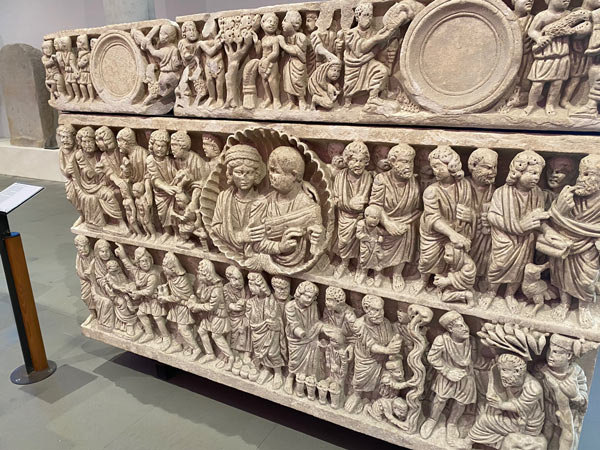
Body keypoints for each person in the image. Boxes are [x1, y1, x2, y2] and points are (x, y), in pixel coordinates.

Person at [484, 151, 547, 312]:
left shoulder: (537, 193)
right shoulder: (501, 193)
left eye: (538, 174)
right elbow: (492, 216)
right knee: (498, 265)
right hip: (504, 238)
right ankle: (491, 292)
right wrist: (517, 227)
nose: (536, 178)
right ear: (518, 172)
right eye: (532, 173)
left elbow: (538, 216)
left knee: (520, 268)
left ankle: (510, 295)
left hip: (525, 240)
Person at [542, 154, 600, 326]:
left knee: (586, 280)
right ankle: (564, 304)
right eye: (581, 174)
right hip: (565, 243)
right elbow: (552, 217)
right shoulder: (569, 194)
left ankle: (584, 307)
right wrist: (560, 211)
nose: (581, 179)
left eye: (588, 174)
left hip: (588, 246)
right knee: (561, 275)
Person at [248, 146, 324, 268]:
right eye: (270, 170)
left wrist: (317, 240)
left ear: (294, 175)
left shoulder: (309, 208)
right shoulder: (263, 203)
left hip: (300, 267)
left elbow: (316, 244)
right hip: (269, 263)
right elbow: (255, 244)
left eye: (275, 171)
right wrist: (279, 247)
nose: (270, 175)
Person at [415, 146, 474, 294]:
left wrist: (470, 215)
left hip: (458, 229)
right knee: (428, 259)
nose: (434, 171)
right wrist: (452, 234)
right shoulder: (431, 191)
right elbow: (432, 217)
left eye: (437, 166)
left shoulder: (464, 185)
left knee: (452, 257)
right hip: (434, 232)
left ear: (451, 166)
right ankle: (423, 280)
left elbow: (469, 210)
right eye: (433, 167)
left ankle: (444, 282)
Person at [369, 143, 421, 291]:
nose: (408, 166)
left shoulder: (413, 180)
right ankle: (378, 273)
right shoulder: (381, 179)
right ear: (392, 162)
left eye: (411, 162)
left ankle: (397, 274)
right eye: (404, 162)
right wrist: (388, 223)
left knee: (407, 239)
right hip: (385, 222)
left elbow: (418, 207)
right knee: (379, 247)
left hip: (407, 221)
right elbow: (375, 205)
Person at [420, 311, 476, 444]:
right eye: (460, 326)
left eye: (465, 324)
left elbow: (473, 360)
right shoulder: (442, 340)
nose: (465, 328)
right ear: (450, 329)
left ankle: (452, 423)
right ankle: (432, 419)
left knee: (461, 402)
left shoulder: (470, 340)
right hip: (447, 375)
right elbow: (432, 358)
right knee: (440, 398)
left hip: (465, 376)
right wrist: (448, 371)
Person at [468, 353, 545, 449]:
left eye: (505, 370)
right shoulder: (512, 379)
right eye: (501, 370)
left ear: (517, 371)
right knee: (487, 409)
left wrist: (501, 405)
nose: (501, 374)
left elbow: (521, 407)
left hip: (526, 424)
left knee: (486, 420)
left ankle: (469, 441)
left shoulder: (533, 388)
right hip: (514, 415)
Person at [344, 295, 401, 414]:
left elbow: (390, 338)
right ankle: (356, 395)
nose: (380, 314)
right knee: (360, 379)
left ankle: (370, 398)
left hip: (381, 358)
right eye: (375, 310)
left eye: (381, 309)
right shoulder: (360, 324)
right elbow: (371, 346)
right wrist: (387, 350)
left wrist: (395, 341)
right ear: (366, 309)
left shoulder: (385, 322)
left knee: (377, 379)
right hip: (365, 358)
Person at [211, 144, 266, 254]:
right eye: (239, 172)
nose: (244, 178)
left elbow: (262, 234)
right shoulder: (224, 197)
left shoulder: (262, 202)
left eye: (249, 172)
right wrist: (239, 236)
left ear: (256, 175)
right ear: (230, 174)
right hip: (228, 251)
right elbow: (216, 226)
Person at [537, 334, 589, 450]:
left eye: (556, 352)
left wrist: (575, 395)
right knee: (546, 433)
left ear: (569, 355)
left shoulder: (576, 373)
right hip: (548, 410)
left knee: (567, 437)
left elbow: (583, 402)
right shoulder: (541, 370)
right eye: (549, 350)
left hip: (569, 412)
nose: (550, 355)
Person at [332, 140, 372, 278]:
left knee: (363, 243)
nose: (358, 164)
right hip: (345, 217)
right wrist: (349, 204)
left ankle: (361, 267)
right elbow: (336, 199)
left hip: (362, 217)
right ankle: (344, 263)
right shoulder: (340, 176)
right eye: (354, 160)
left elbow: (370, 200)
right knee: (344, 242)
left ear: (366, 162)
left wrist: (362, 206)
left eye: (361, 161)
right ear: (347, 161)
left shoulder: (368, 177)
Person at [524, 0, 572, 116]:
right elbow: (532, 30)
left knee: (557, 83)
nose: (566, 0)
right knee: (537, 84)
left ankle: (550, 104)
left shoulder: (569, 15)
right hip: (544, 56)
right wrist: (539, 38)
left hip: (562, 55)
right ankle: (531, 105)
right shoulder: (542, 15)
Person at [188, 259, 234, 370]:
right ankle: (210, 354)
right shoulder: (206, 285)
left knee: (216, 335)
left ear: (208, 275)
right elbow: (203, 298)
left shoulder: (217, 289)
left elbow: (212, 306)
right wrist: (194, 300)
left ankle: (230, 357)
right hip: (209, 315)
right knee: (201, 331)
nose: (199, 277)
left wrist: (197, 306)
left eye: (201, 274)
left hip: (218, 316)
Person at [158, 252, 203, 360]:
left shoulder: (182, 280)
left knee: (183, 329)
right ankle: (181, 344)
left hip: (184, 307)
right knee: (175, 326)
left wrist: (166, 298)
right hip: (176, 307)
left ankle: (196, 348)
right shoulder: (171, 277)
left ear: (173, 269)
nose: (165, 271)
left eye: (166, 269)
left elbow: (180, 297)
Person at [246, 272, 287, 388]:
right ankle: (266, 369)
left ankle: (278, 372)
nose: (251, 287)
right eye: (249, 284)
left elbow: (276, 318)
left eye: (253, 284)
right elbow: (248, 316)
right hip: (256, 332)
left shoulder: (271, 300)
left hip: (271, 332)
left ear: (261, 286)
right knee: (259, 352)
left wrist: (273, 323)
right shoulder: (251, 302)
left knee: (272, 353)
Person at [466, 148, 498, 291]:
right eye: (488, 168)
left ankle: (480, 277)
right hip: (467, 234)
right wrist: (472, 216)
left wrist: (491, 218)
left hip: (485, 238)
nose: (493, 172)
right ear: (473, 166)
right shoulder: (462, 186)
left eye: (495, 168)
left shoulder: (494, 191)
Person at [284, 281, 323, 397]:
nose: (309, 300)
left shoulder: (313, 306)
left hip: (311, 337)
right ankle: (290, 377)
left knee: (311, 360)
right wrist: (301, 333)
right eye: (307, 296)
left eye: (312, 298)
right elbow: (293, 324)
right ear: (299, 294)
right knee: (294, 360)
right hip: (296, 339)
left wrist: (316, 334)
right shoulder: (290, 306)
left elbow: (316, 321)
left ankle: (305, 382)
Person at [223, 266, 252, 375]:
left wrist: (245, 301)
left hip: (244, 316)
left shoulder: (247, 288)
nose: (238, 282)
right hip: (232, 316)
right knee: (232, 334)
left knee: (246, 331)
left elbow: (251, 300)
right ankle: (234, 354)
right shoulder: (226, 288)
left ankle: (246, 354)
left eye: (240, 279)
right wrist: (232, 306)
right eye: (234, 279)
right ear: (228, 278)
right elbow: (225, 302)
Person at [278, 10, 309, 110]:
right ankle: (291, 102)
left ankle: (301, 100)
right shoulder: (287, 37)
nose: (282, 23)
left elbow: (298, 51)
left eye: (285, 20)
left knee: (297, 81)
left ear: (294, 23)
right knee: (287, 82)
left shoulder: (301, 36)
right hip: (288, 63)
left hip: (297, 64)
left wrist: (284, 45)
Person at [75, 235, 96, 326]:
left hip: (95, 279)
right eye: (80, 247)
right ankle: (93, 314)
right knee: (85, 296)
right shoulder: (79, 255)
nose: (83, 249)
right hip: (85, 279)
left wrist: (91, 270)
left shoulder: (94, 254)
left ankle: (99, 315)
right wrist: (84, 275)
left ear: (89, 244)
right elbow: (78, 268)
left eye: (85, 246)